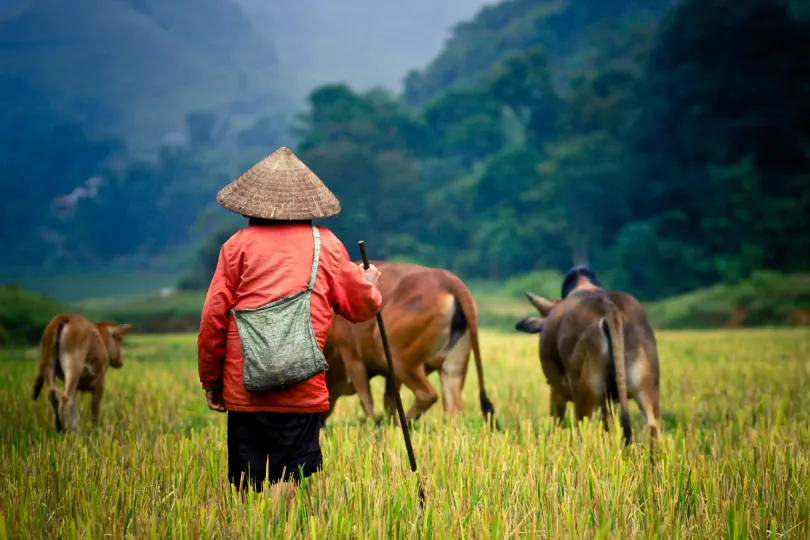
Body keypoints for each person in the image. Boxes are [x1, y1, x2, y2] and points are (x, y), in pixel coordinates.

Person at [197, 146, 383, 507]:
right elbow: (360, 308)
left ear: (252, 207)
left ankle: (252, 529)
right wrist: (369, 282)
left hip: (244, 383)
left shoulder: (236, 246)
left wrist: (211, 379)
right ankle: (278, 528)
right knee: (288, 474)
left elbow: (212, 318)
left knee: (250, 478)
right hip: (301, 383)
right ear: (309, 206)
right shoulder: (326, 244)